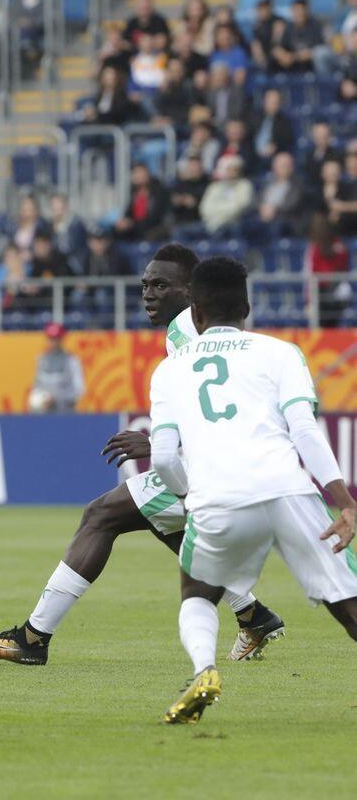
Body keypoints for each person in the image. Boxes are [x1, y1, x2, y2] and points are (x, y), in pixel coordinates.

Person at [0, 244, 286, 666]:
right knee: (160, 519)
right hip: (240, 465)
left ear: (191, 292)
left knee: (101, 515)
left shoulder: (186, 332)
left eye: (161, 285)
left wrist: (160, 447)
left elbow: (220, 412)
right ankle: (252, 614)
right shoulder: (214, 334)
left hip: (215, 469)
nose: (148, 293)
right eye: (145, 285)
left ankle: (32, 638)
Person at [150, 257, 357, 723]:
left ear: (195, 313)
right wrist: (344, 503)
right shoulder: (280, 353)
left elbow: (162, 457)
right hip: (286, 490)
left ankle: (205, 669)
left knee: (198, 594)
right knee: (347, 603)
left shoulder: (169, 370)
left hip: (217, 498)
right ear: (246, 307)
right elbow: (305, 431)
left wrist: (187, 497)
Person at [305, 211, 353, 328]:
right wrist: (309, 301)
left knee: (344, 291)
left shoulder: (340, 248)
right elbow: (311, 274)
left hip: (334, 291)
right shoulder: (314, 249)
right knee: (320, 322)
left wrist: (337, 251)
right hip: (319, 292)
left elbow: (344, 269)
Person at [29, 323, 84, 412]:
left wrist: (57, 398)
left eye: (56, 338)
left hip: (65, 412)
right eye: (50, 338)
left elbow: (79, 390)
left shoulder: (72, 360)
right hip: (44, 413)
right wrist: (38, 399)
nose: (53, 342)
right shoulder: (42, 359)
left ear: (62, 339)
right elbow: (37, 386)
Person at [114, 163, 170, 241]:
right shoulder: (134, 192)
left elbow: (155, 217)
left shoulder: (159, 191)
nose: (137, 176)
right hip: (136, 228)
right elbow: (129, 212)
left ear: (147, 174)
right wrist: (124, 222)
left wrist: (132, 224)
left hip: (154, 229)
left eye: (140, 172)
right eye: (135, 173)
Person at [199, 155, 253, 234]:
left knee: (220, 232)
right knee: (182, 232)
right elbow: (204, 208)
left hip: (231, 224)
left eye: (234, 169)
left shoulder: (245, 185)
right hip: (210, 223)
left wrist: (217, 212)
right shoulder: (215, 186)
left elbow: (237, 208)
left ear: (239, 171)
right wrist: (221, 212)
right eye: (229, 169)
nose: (231, 172)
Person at [257, 152, 306, 234]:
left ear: (291, 167)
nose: (279, 168)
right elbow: (257, 198)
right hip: (262, 215)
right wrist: (262, 208)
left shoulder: (297, 184)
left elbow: (293, 203)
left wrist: (274, 210)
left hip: (283, 219)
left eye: (283, 166)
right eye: (277, 166)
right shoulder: (268, 181)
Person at [170, 154, 209, 225]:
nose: (194, 169)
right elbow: (173, 202)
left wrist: (195, 203)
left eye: (196, 166)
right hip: (180, 221)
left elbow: (207, 206)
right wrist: (178, 201)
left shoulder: (208, 184)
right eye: (191, 166)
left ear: (201, 167)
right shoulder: (181, 184)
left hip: (200, 221)